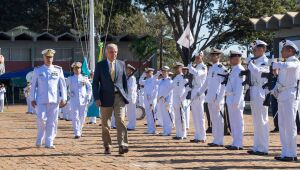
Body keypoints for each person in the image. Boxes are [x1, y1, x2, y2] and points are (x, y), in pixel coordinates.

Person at [92, 43, 129, 155]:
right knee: (105, 124)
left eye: (115, 52)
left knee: (120, 121)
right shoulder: (100, 65)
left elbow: (124, 82)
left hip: (119, 97)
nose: (114, 54)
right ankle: (107, 145)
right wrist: (97, 98)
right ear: (106, 53)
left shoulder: (121, 64)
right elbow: (95, 84)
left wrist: (125, 96)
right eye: (111, 52)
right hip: (105, 98)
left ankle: (122, 145)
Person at [30, 49, 67, 149]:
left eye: (51, 57)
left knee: (52, 121)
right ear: (44, 58)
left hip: (54, 100)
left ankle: (49, 141)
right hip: (41, 100)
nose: (49, 59)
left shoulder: (58, 70)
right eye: (47, 57)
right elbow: (33, 86)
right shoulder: (38, 70)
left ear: (53, 58)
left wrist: (64, 98)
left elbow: (62, 85)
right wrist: (32, 98)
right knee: (41, 119)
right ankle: (40, 137)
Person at [272, 40, 300, 162]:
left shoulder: (294, 61)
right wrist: (274, 90)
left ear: (290, 51)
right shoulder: (284, 63)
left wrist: (275, 64)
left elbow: (289, 66)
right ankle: (285, 152)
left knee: (290, 125)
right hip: (283, 95)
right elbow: (280, 80)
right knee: (282, 125)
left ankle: (292, 153)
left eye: (283, 50)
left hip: (291, 95)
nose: (281, 52)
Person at [196, 48, 227, 147]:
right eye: (212, 55)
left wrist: (220, 98)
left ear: (219, 56)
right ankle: (215, 139)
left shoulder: (221, 68)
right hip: (210, 96)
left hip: (218, 97)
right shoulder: (211, 68)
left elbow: (224, 84)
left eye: (215, 55)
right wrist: (199, 92)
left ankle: (220, 140)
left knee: (218, 119)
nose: (213, 57)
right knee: (213, 119)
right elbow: (206, 83)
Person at [247, 40, 270, 156]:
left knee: (262, 120)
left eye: (255, 49)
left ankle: (263, 148)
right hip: (254, 90)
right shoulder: (255, 61)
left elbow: (261, 74)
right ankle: (257, 146)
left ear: (261, 49)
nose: (253, 52)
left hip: (261, 91)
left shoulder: (265, 61)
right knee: (256, 121)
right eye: (253, 50)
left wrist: (251, 65)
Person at [224, 50, 245, 150]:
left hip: (236, 99)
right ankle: (234, 142)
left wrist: (237, 100)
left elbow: (240, 87)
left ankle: (238, 143)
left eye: (231, 58)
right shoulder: (233, 70)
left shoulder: (240, 69)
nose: (230, 60)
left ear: (237, 58)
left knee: (238, 122)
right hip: (230, 98)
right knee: (233, 122)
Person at [66, 62, 92, 139]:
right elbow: (65, 87)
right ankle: (76, 132)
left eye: (78, 68)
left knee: (82, 116)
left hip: (83, 100)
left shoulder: (84, 78)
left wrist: (88, 96)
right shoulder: (70, 78)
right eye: (75, 68)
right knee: (75, 116)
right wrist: (69, 94)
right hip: (74, 100)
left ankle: (79, 130)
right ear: (73, 69)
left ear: (80, 69)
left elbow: (90, 87)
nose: (77, 70)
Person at [188, 51, 207, 143]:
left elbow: (198, 74)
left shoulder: (203, 66)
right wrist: (191, 67)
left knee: (200, 115)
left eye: (198, 57)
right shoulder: (196, 66)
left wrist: (190, 68)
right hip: (194, 89)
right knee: (195, 115)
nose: (197, 59)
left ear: (202, 57)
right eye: (196, 57)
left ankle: (202, 136)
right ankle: (197, 135)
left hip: (200, 90)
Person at [139, 68, 159, 134]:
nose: (147, 73)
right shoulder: (146, 80)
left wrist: (152, 99)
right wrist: (143, 75)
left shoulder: (154, 79)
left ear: (152, 72)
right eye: (146, 72)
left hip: (152, 99)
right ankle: (149, 129)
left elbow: (156, 90)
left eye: (148, 72)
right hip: (146, 99)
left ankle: (153, 130)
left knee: (152, 114)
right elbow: (140, 82)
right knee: (148, 114)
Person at [172, 62, 188, 140]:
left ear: (181, 68)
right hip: (175, 99)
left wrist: (182, 98)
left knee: (182, 117)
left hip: (181, 99)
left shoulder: (183, 77)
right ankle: (178, 133)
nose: (176, 69)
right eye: (175, 68)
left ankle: (183, 134)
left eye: (177, 68)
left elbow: (187, 88)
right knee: (177, 117)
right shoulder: (175, 78)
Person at [157, 66, 173, 136]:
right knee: (163, 116)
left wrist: (168, 102)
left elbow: (170, 92)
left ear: (167, 72)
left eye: (165, 71)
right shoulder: (161, 81)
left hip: (166, 100)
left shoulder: (170, 81)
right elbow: (154, 81)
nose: (163, 73)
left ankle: (168, 131)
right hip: (161, 100)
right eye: (162, 71)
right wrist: (157, 74)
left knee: (167, 116)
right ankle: (165, 130)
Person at [126, 64, 138, 130]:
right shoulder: (128, 77)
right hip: (128, 97)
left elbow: (130, 88)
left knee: (132, 112)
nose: (126, 70)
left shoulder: (132, 78)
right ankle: (130, 124)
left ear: (131, 71)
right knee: (129, 112)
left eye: (128, 69)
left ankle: (132, 125)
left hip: (131, 97)